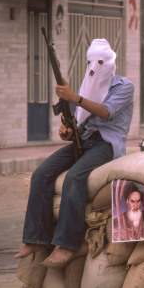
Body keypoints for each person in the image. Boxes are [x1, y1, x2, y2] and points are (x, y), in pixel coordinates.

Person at [14, 39, 134, 268]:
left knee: (74, 177)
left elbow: (106, 112)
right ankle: (36, 239)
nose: (94, 67)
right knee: (41, 174)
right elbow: (79, 124)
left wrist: (74, 98)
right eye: (90, 62)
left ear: (111, 63)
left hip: (107, 144)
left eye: (100, 62)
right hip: (84, 140)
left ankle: (67, 244)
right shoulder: (85, 87)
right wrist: (67, 132)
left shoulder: (124, 86)